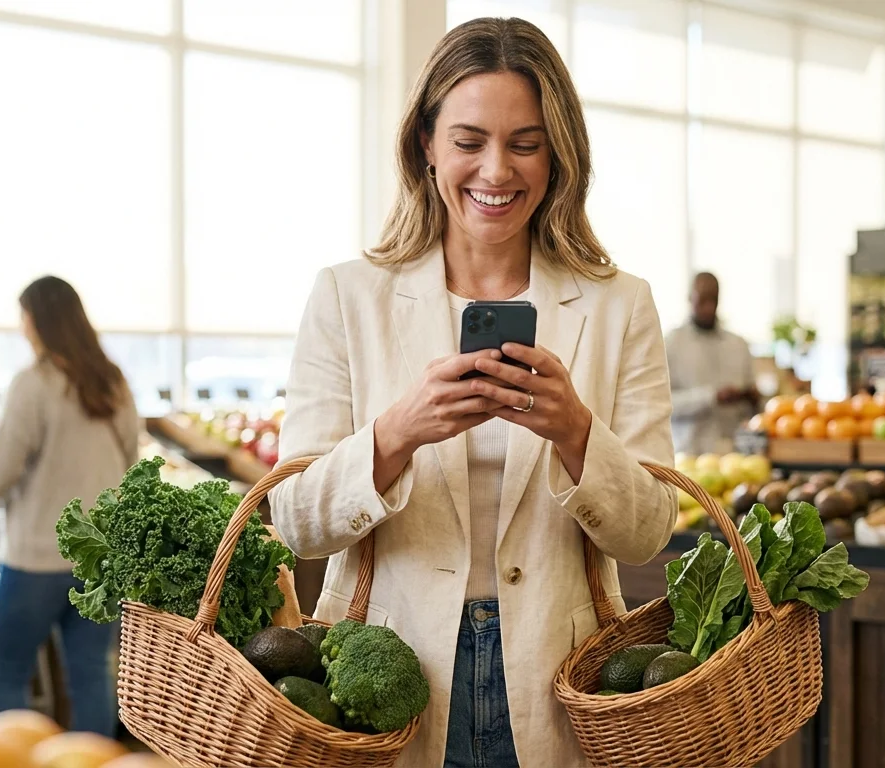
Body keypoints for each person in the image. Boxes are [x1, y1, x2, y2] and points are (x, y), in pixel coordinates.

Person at [266, 18, 678, 767]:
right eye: (468, 141)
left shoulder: (621, 305)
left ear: (558, 154)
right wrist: (398, 433)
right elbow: (295, 522)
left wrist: (576, 433)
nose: (496, 170)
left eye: (525, 142)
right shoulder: (347, 297)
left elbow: (648, 532)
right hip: (385, 676)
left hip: (560, 677)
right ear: (426, 145)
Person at [0, 275, 139, 736]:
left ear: (37, 321)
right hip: (99, 558)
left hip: (35, 558)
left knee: (7, 673)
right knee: (92, 674)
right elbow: (132, 458)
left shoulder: (33, 384)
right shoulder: (113, 382)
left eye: (24, 317)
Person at [664, 272, 757, 455]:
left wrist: (751, 398)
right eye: (702, 300)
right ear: (690, 298)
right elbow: (663, 404)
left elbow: (753, 406)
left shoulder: (738, 344)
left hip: (734, 453)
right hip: (688, 454)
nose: (708, 307)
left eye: (713, 300)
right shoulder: (670, 344)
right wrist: (710, 397)